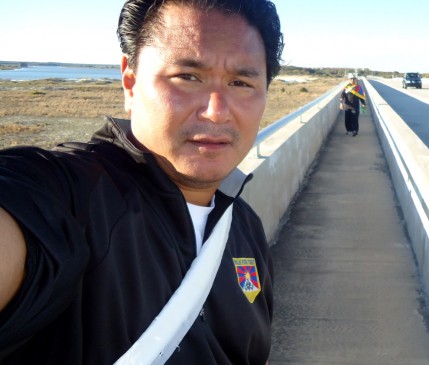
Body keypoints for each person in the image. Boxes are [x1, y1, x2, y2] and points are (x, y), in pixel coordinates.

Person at [0, 0, 283, 364]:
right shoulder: (69, 194)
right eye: (188, 76)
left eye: (241, 82)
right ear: (130, 82)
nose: (216, 110)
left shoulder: (244, 226)